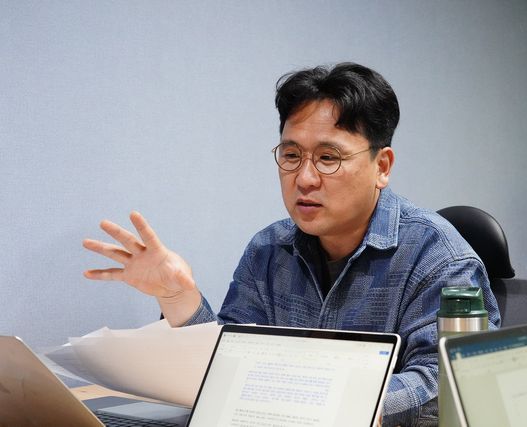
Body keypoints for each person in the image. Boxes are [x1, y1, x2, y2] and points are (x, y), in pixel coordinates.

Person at [83, 62, 500, 426]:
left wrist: (320, 400)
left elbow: (444, 386)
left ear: (382, 166)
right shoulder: (269, 250)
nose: (304, 178)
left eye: (328, 158)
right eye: (291, 155)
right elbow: (227, 365)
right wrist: (178, 297)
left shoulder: (438, 258)